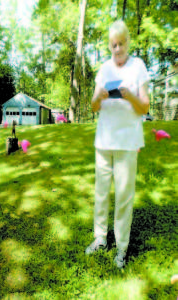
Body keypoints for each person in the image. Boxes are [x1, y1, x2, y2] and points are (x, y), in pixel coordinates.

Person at [85, 20, 150, 269]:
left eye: (122, 43)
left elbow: (145, 105)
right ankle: (100, 238)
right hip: (104, 141)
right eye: (114, 45)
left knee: (124, 195)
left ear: (128, 42)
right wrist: (98, 96)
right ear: (109, 46)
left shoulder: (138, 67)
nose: (118, 49)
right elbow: (93, 106)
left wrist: (129, 94)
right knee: (101, 193)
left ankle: (121, 248)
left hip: (127, 141)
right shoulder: (104, 69)